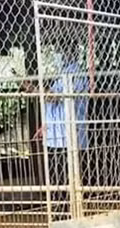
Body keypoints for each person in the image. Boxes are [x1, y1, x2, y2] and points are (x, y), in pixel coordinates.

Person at [43, 44, 89, 218]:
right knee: (57, 178)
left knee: (65, 178)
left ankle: (69, 214)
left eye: (58, 52)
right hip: (56, 135)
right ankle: (61, 213)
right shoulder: (62, 75)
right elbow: (53, 103)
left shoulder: (74, 73)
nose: (57, 56)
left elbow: (54, 97)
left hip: (67, 137)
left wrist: (34, 90)